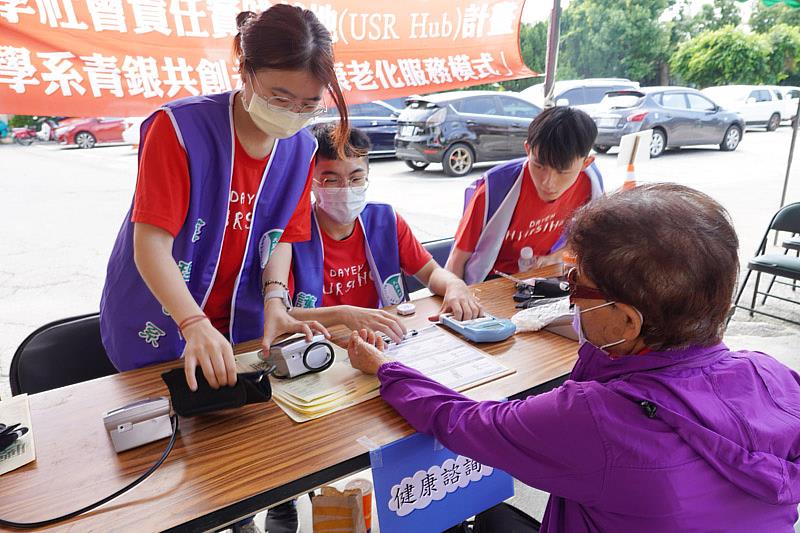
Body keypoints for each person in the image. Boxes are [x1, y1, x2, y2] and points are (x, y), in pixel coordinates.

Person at [348, 183, 800, 532]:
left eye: (575, 285)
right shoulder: (773, 374)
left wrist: (388, 369)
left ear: (627, 320)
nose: (568, 300)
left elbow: (462, 423)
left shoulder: (599, 419)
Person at [99, 6, 349, 531]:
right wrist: (193, 323)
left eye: (307, 104)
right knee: (166, 478)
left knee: (236, 464)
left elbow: (282, 236)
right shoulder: (180, 129)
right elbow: (151, 246)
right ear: (244, 67)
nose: (292, 114)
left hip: (237, 325)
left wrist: (277, 302)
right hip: (162, 318)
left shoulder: (300, 146)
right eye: (280, 98)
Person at [288, 124, 481, 341]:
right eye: (331, 180)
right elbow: (283, 314)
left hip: (382, 338)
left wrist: (455, 285)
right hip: (321, 346)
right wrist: (344, 314)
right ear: (310, 182)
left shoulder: (385, 220)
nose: (346, 189)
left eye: (356, 178)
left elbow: (431, 273)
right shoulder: (292, 234)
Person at [446, 106, 604, 285]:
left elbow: (587, 243)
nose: (548, 183)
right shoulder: (495, 190)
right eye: (538, 166)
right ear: (527, 149)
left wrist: (552, 258)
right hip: (491, 282)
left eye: (562, 172)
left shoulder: (590, 185)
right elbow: (456, 261)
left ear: (586, 163)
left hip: (546, 277)